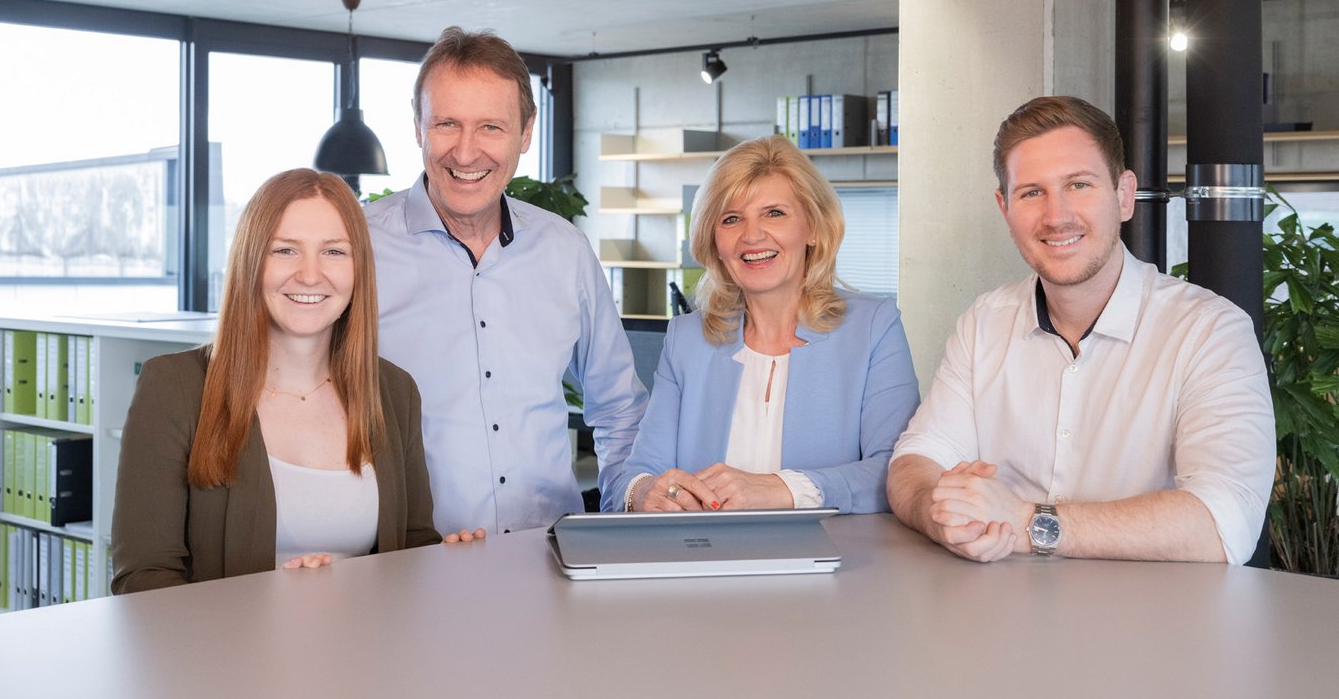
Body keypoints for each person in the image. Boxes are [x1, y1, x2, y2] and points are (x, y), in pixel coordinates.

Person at [887, 96, 1274, 564]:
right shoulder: (984, 322)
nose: (1056, 216)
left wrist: (1027, 521)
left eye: (1078, 184)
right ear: (1004, 208)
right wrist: (943, 514)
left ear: (1124, 195)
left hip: (1156, 628)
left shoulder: (1209, 331)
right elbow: (915, 462)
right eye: (1031, 192)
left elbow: (1224, 522)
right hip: (998, 620)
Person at [112, 169, 481, 593]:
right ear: (251, 262)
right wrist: (272, 605)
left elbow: (412, 547)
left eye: (334, 252)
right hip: (225, 656)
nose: (310, 275)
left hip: (368, 654)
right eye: (286, 250)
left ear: (359, 268)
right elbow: (142, 581)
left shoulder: (395, 392)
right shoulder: (174, 388)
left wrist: (446, 564)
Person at [365, 28, 647, 534]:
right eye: (447, 123)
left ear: (525, 132)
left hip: (548, 558)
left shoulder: (565, 250)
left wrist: (622, 521)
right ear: (418, 128)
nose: (467, 153)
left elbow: (619, 408)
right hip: (408, 568)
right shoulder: (357, 249)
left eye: (491, 127)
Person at [616, 135, 920, 514]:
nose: (752, 235)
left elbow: (899, 472)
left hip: (833, 564)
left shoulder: (873, 327)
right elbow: (640, 472)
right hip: (705, 561)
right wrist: (645, 494)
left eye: (774, 213)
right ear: (714, 241)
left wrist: (782, 490)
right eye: (731, 219)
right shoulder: (686, 341)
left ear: (813, 228)